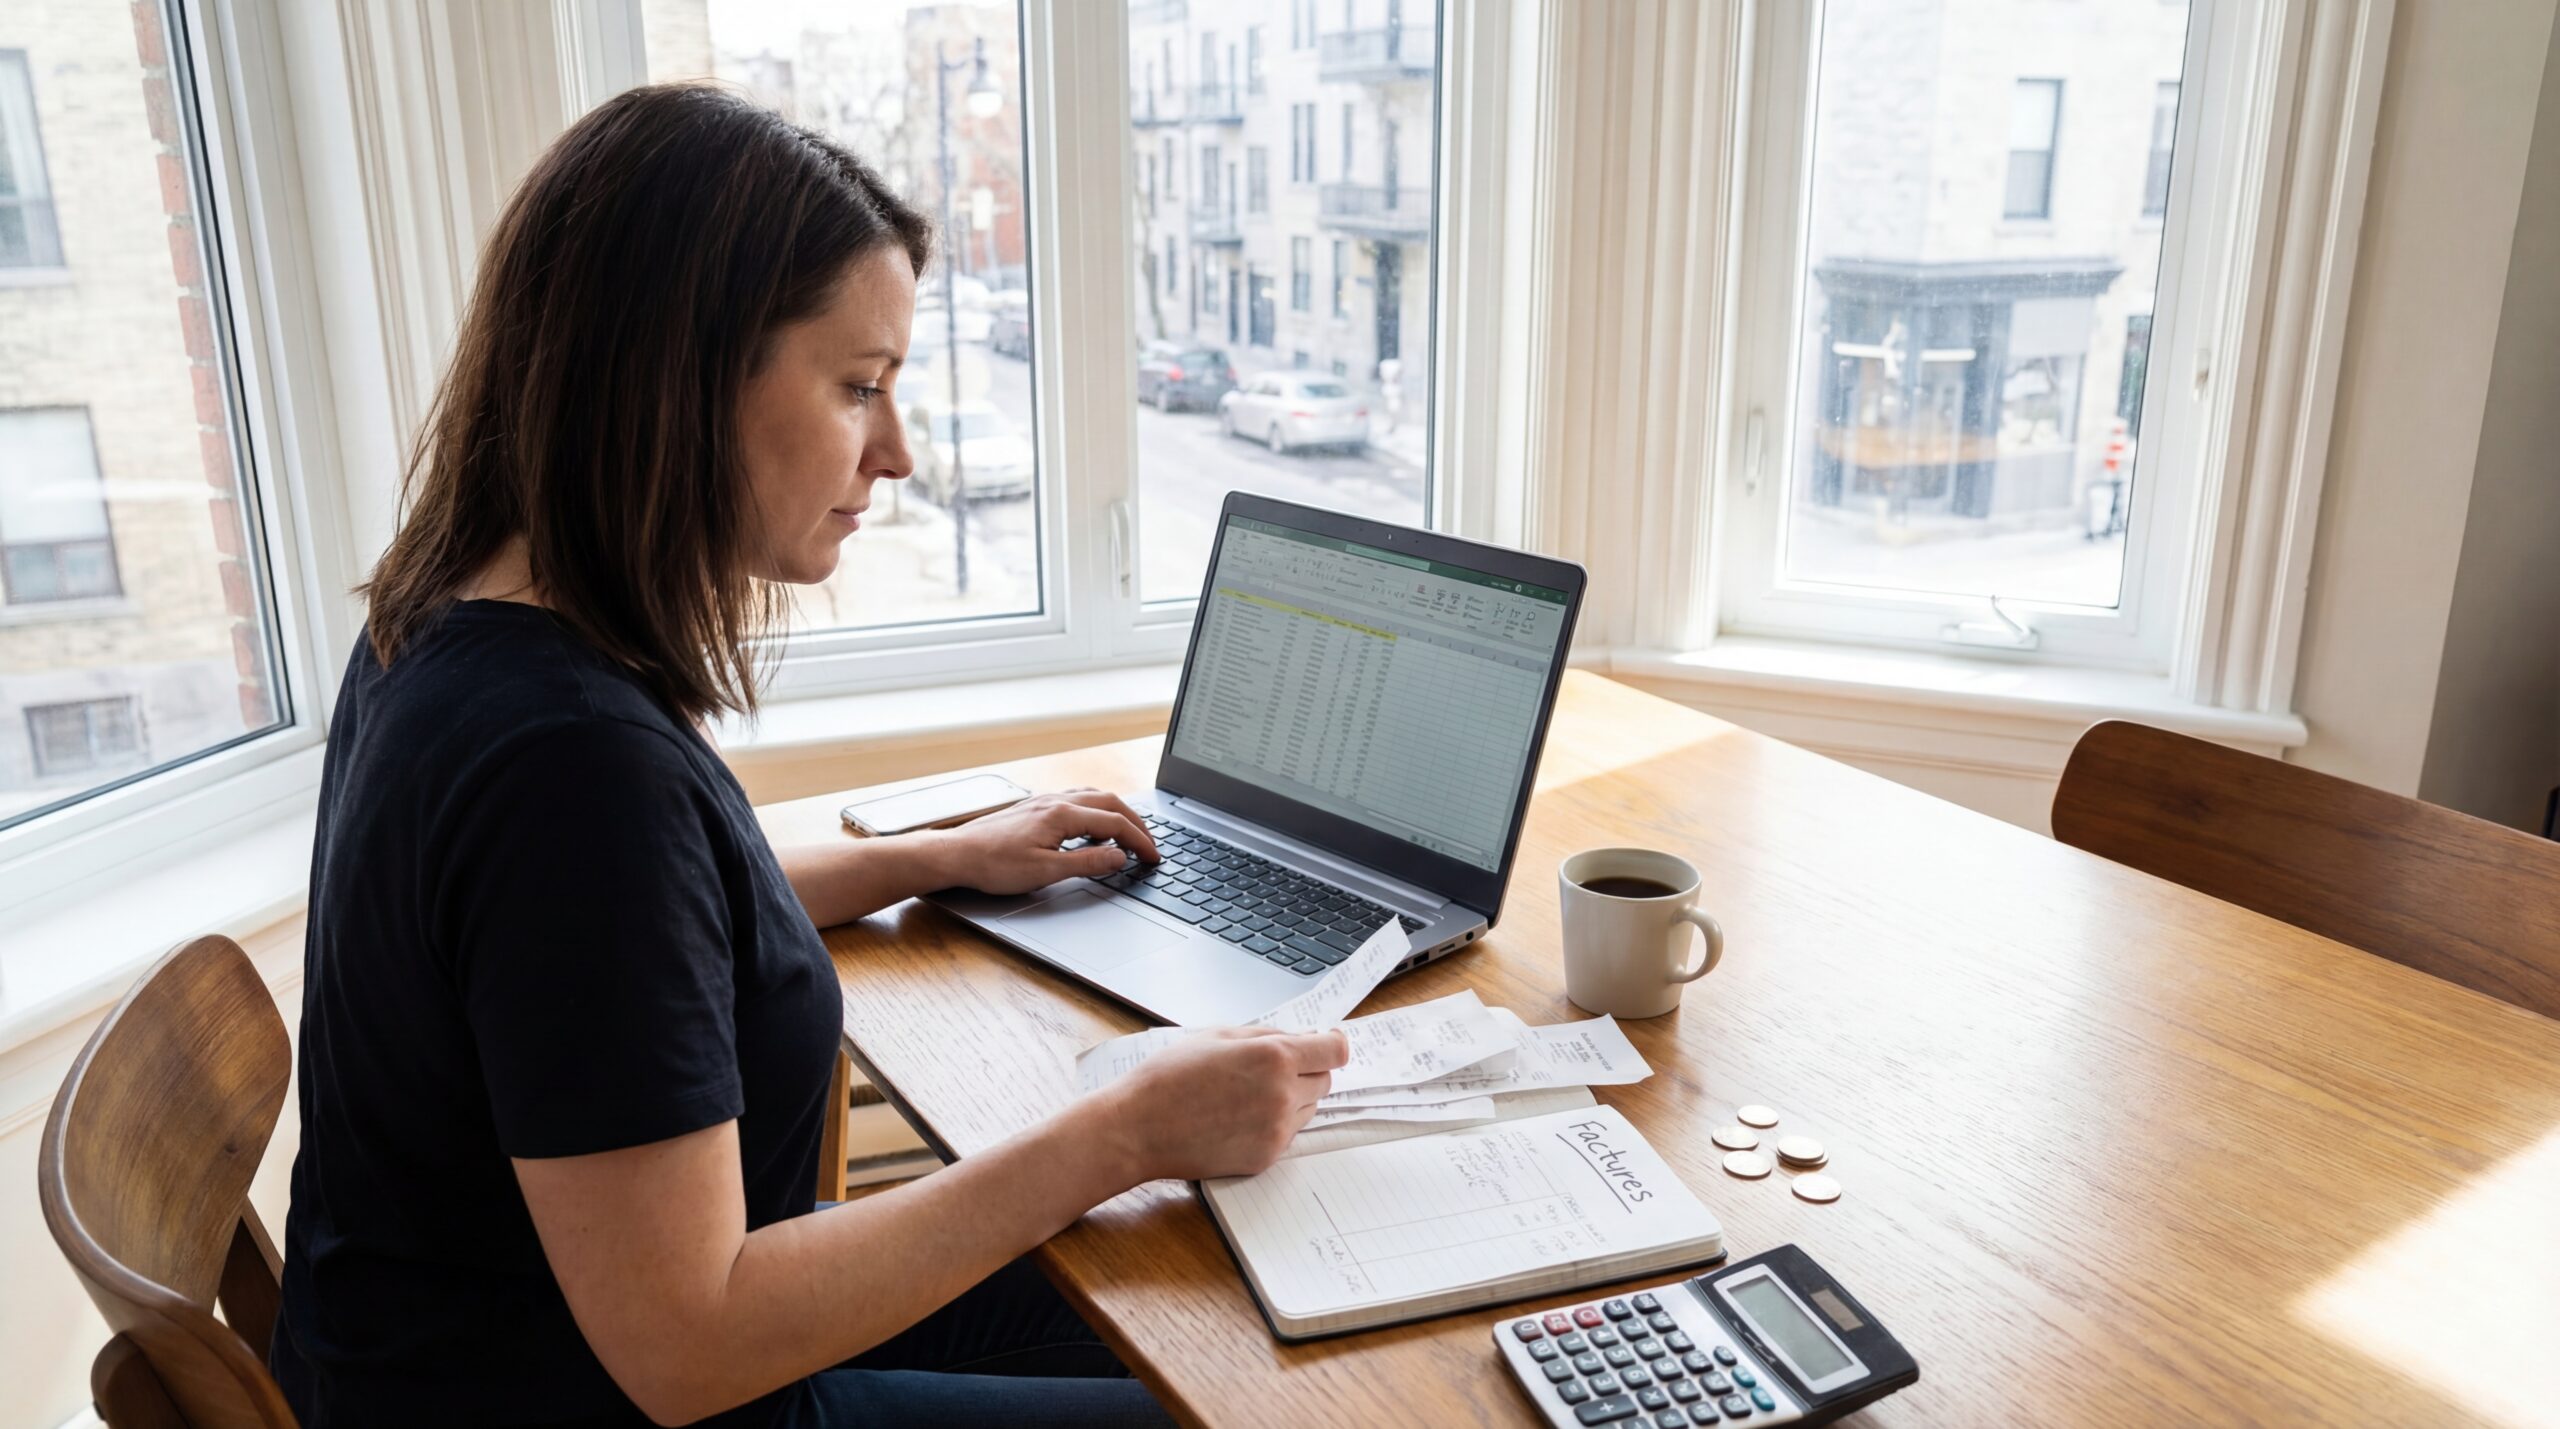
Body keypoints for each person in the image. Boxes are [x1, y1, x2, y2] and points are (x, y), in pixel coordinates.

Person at [274, 84, 1348, 1429]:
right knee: (1258, 1400)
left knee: (1202, 1299)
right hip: (658, 1386)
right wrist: (1123, 1131)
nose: (897, 452)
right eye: (859, 388)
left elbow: (626, 939)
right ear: (678, 374)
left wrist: (937, 856)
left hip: (474, 1352)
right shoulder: (572, 772)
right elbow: (692, 1342)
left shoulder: (450, 617)